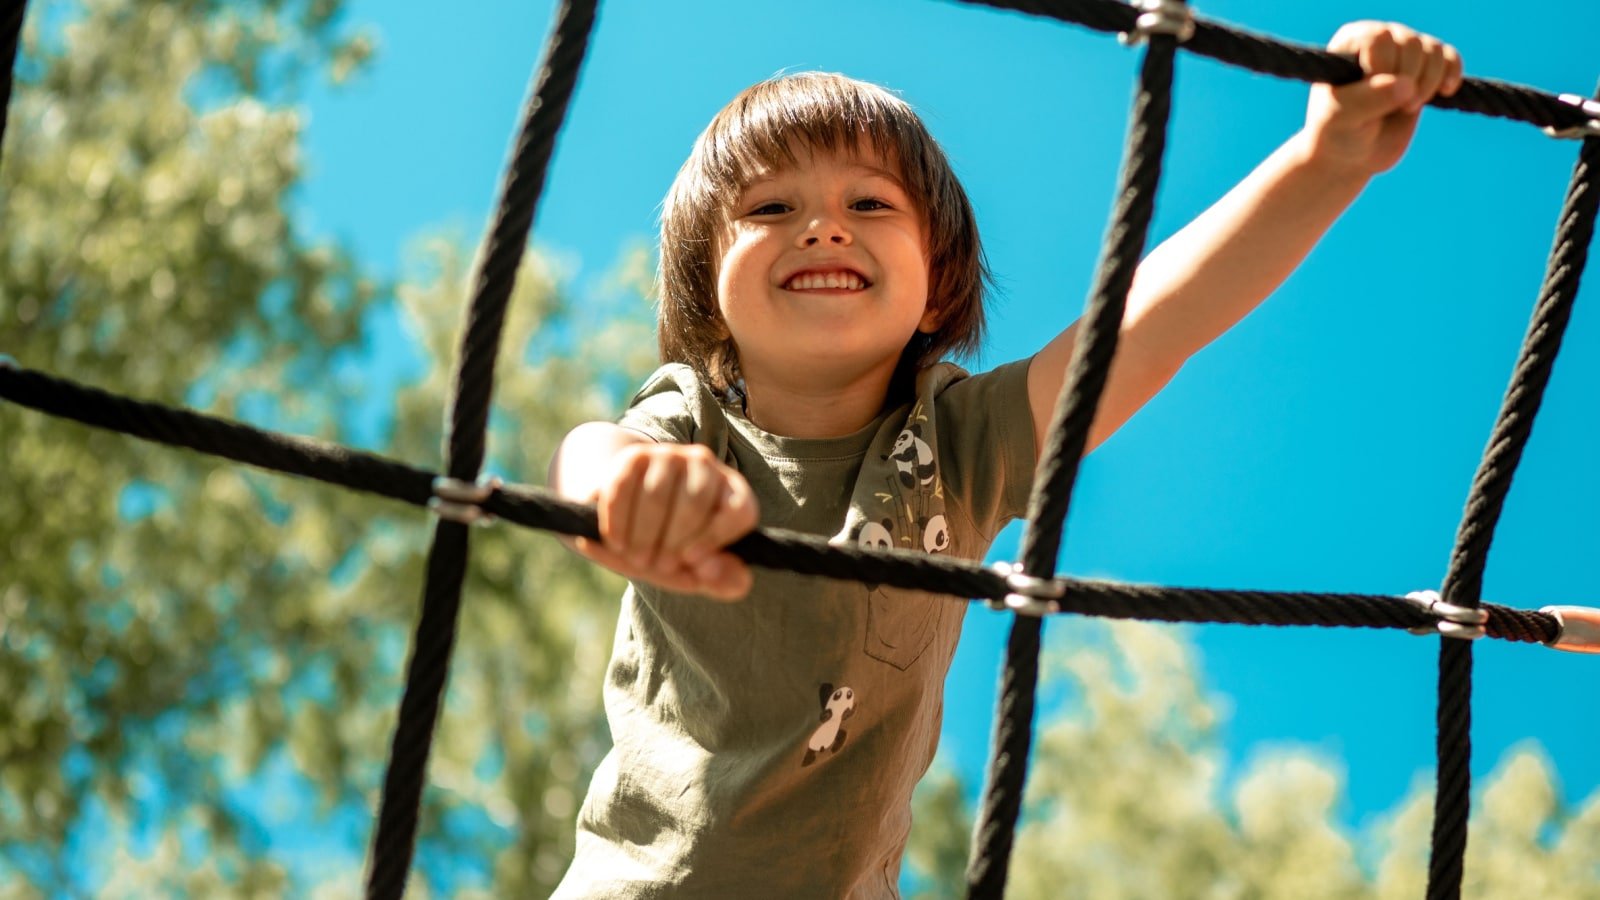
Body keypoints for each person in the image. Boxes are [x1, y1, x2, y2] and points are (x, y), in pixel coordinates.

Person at [548, 21, 1463, 898]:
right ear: (709, 282)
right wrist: (623, 489)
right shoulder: (695, 417)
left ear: (938, 279)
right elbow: (595, 452)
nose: (824, 226)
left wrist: (1324, 161)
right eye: (770, 207)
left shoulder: (957, 445)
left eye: (869, 203)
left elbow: (1152, 326)